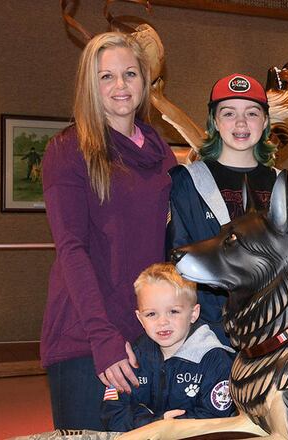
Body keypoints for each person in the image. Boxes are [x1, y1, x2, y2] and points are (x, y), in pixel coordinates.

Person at [40, 32, 176, 430]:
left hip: (149, 334)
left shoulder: (159, 150)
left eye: (130, 73)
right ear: (90, 84)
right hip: (88, 338)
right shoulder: (68, 149)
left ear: (145, 80)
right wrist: (103, 338)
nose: (120, 86)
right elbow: (71, 249)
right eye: (106, 77)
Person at [167, 73, 288, 345]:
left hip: (275, 340)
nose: (240, 123)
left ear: (266, 121)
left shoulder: (286, 186)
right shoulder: (187, 182)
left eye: (251, 113)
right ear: (214, 121)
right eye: (228, 113)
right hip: (207, 337)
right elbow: (175, 265)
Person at [102, 263, 235, 431]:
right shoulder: (134, 357)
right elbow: (112, 413)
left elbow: (216, 421)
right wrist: (155, 423)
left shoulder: (215, 361)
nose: (162, 322)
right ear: (140, 318)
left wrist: (173, 428)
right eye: (151, 314)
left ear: (193, 314)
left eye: (173, 311)